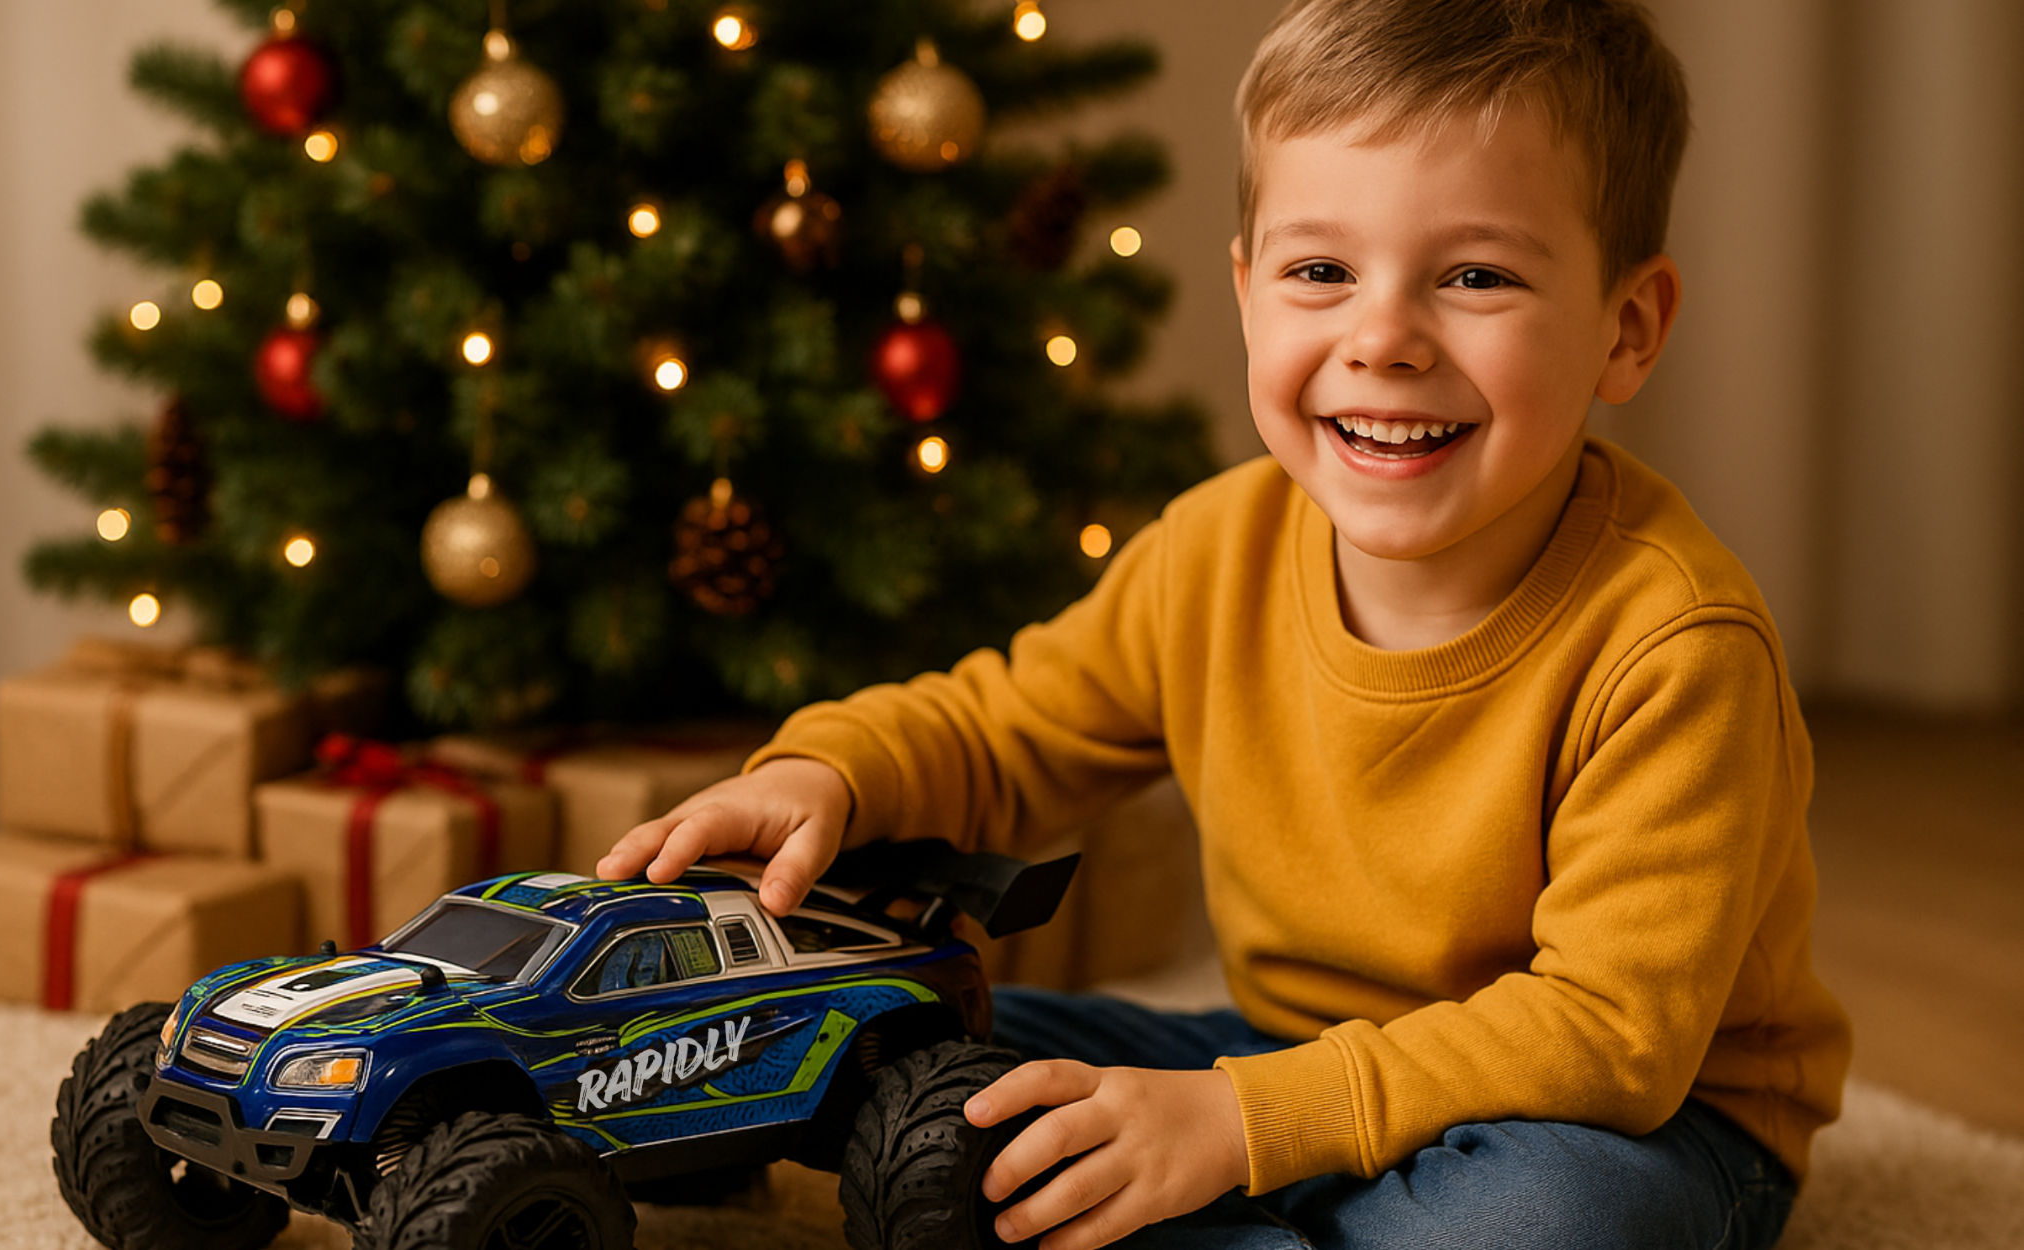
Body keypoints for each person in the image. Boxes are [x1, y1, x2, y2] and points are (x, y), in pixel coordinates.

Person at [599, 0, 1852, 1245]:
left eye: (1475, 276)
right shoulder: (1216, 548)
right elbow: (1004, 731)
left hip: (1617, 1116)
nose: (1382, 339)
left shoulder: (1675, 645)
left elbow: (1609, 1034)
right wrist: (837, 769)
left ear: (1624, 328)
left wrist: (1240, 1123)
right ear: (1250, 290)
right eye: (1322, 271)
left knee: (1542, 1220)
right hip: (1276, 1044)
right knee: (922, 1059)